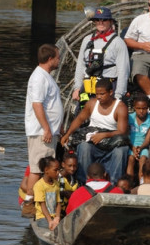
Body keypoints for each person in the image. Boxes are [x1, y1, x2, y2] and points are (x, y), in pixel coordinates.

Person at [60, 78, 129, 185]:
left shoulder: (120, 107)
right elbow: (79, 119)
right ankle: (84, 183)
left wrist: (104, 135)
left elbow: (122, 132)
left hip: (112, 144)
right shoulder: (92, 103)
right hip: (93, 143)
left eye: (102, 94)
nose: (99, 97)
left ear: (111, 92)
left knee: (122, 150)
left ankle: (114, 185)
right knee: (84, 147)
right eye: (97, 94)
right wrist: (67, 134)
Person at [23, 44, 63, 216]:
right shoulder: (39, 78)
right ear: (49, 59)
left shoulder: (46, 76)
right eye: (57, 58)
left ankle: (39, 202)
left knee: (43, 168)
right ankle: (29, 203)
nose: (59, 60)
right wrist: (46, 129)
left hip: (48, 132)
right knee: (38, 169)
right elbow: (37, 104)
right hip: (41, 132)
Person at [72, 6, 130, 102]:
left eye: (104, 20)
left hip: (108, 90)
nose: (101, 22)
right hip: (87, 87)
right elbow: (80, 66)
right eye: (98, 20)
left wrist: (118, 96)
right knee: (82, 113)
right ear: (94, 21)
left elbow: (123, 71)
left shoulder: (118, 42)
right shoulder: (87, 40)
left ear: (110, 22)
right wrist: (77, 88)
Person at [127, 93, 150, 181]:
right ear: (134, 107)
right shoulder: (129, 118)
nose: (141, 111)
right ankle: (129, 184)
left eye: (144, 108)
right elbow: (127, 136)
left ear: (148, 108)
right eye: (138, 108)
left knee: (143, 159)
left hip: (143, 146)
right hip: (131, 145)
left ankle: (141, 184)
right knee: (130, 159)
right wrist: (133, 148)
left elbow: (147, 140)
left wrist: (140, 148)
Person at [33, 156, 61, 230]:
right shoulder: (39, 185)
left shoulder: (56, 184)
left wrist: (57, 217)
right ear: (46, 170)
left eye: (59, 170)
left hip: (54, 217)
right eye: (55, 170)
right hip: (42, 218)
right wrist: (50, 221)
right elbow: (42, 205)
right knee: (54, 228)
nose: (58, 173)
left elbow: (58, 203)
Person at [59, 151, 79, 216]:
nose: (72, 169)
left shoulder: (74, 179)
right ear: (63, 164)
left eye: (74, 166)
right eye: (69, 166)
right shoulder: (57, 178)